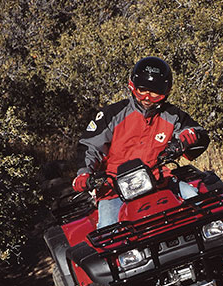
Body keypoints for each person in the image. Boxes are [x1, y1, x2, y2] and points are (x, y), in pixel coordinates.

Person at [72, 56, 210, 228]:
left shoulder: (172, 115)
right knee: (107, 228)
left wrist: (187, 138)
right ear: (132, 87)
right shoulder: (112, 114)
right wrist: (84, 174)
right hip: (114, 188)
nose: (147, 98)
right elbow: (90, 145)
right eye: (142, 91)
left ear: (166, 92)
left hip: (160, 180)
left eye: (154, 93)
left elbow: (196, 132)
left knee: (197, 201)